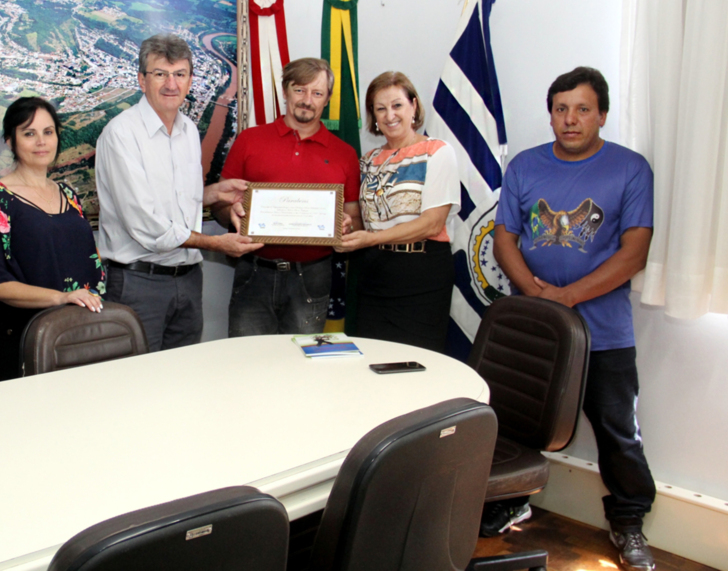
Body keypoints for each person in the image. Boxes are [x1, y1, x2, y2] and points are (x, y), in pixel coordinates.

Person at [490, 67, 656, 571]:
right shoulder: (524, 165)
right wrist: (536, 293)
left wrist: (569, 296)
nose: (570, 119)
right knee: (513, 423)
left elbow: (634, 253)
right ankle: (507, 501)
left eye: (583, 109)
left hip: (603, 332)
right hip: (536, 328)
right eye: (561, 109)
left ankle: (628, 525)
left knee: (616, 430)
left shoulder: (630, 169)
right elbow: (504, 239)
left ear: (601, 114)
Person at [95, 34, 261, 353]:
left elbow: (177, 200)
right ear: (142, 80)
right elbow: (146, 225)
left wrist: (213, 193)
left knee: (182, 383)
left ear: (190, 81)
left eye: (179, 74)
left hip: (187, 279)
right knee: (139, 386)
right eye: (160, 74)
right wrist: (214, 243)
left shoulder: (187, 131)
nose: (171, 84)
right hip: (138, 283)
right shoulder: (121, 135)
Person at [0, 97, 104, 383]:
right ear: (11, 142)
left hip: (71, 337)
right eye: (29, 133)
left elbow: (89, 267)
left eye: (48, 132)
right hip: (15, 343)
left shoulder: (69, 195)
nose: (41, 142)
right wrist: (61, 298)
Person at [216, 57, 361, 336]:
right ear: (285, 91)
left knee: (302, 366)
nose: (307, 100)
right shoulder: (250, 140)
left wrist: (346, 226)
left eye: (317, 93)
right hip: (254, 271)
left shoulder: (345, 154)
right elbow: (222, 203)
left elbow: (354, 218)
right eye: (300, 90)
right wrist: (230, 212)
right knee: (247, 363)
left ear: (327, 99)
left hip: (314, 276)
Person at [334, 72, 459, 353]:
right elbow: (365, 220)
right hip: (374, 273)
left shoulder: (437, 152)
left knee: (416, 363)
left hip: (422, 274)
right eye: (380, 108)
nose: (390, 115)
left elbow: (431, 224)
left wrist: (370, 238)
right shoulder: (367, 162)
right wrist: (346, 227)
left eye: (397, 105)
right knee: (371, 360)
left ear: (413, 106)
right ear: (373, 117)